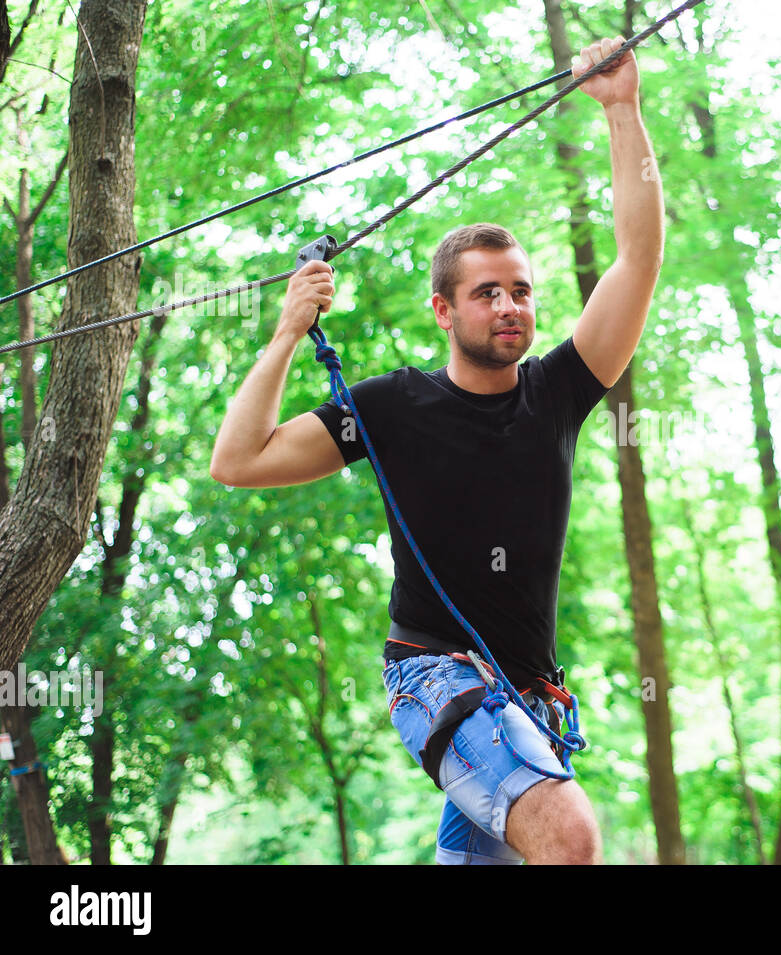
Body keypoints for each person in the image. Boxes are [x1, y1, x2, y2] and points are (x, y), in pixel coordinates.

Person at [209, 36, 664, 864]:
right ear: (443, 310)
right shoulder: (392, 406)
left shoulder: (559, 390)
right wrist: (286, 334)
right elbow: (239, 460)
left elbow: (638, 260)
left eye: (521, 290)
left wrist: (622, 109)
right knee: (569, 835)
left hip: (528, 701)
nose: (509, 305)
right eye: (486, 291)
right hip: (434, 678)